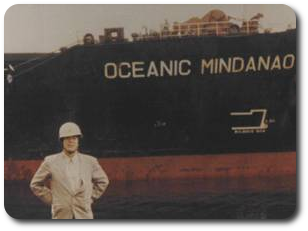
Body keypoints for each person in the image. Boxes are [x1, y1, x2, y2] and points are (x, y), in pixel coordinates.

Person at [30, 122, 109, 219]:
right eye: (67, 138)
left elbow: (103, 181)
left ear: (78, 140)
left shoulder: (90, 161)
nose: (70, 141)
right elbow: (35, 184)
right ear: (62, 141)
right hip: (61, 215)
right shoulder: (50, 161)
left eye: (74, 138)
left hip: (84, 214)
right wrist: (54, 200)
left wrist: (89, 198)